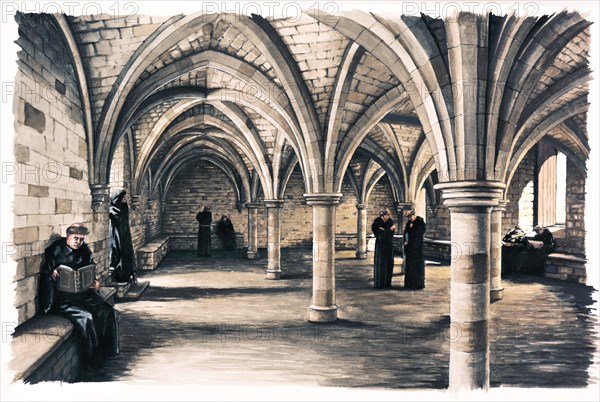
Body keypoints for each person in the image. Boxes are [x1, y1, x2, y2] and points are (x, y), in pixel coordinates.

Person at [38, 223, 119, 368]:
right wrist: (52, 275)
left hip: (83, 294)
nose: (78, 242)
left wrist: (96, 283)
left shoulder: (84, 249)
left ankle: (109, 352)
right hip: (63, 299)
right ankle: (92, 361)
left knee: (107, 310)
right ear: (68, 236)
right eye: (76, 238)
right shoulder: (56, 249)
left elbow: (91, 268)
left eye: (81, 239)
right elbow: (45, 276)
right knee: (86, 318)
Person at [109, 189, 136, 283]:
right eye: (123, 197)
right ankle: (118, 273)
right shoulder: (111, 208)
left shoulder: (124, 207)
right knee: (117, 250)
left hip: (124, 232)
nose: (125, 199)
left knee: (126, 251)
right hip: (116, 232)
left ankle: (127, 274)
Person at [371, 208, 396, 288]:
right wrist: (388, 230)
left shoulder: (390, 221)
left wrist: (385, 230)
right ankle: (380, 283)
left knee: (389, 263)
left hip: (389, 245)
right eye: (387, 215)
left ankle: (388, 283)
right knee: (381, 264)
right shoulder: (377, 222)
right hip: (381, 246)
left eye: (388, 215)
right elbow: (379, 234)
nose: (388, 216)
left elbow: (391, 234)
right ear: (383, 216)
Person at [403, 209, 426, 289]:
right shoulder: (409, 222)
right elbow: (406, 232)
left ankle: (418, 284)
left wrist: (411, 229)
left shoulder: (420, 221)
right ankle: (410, 284)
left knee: (417, 266)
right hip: (410, 248)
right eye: (408, 217)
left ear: (414, 215)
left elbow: (419, 233)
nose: (409, 219)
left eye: (410, 217)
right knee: (410, 265)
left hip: (417, 248)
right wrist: (406, 241)